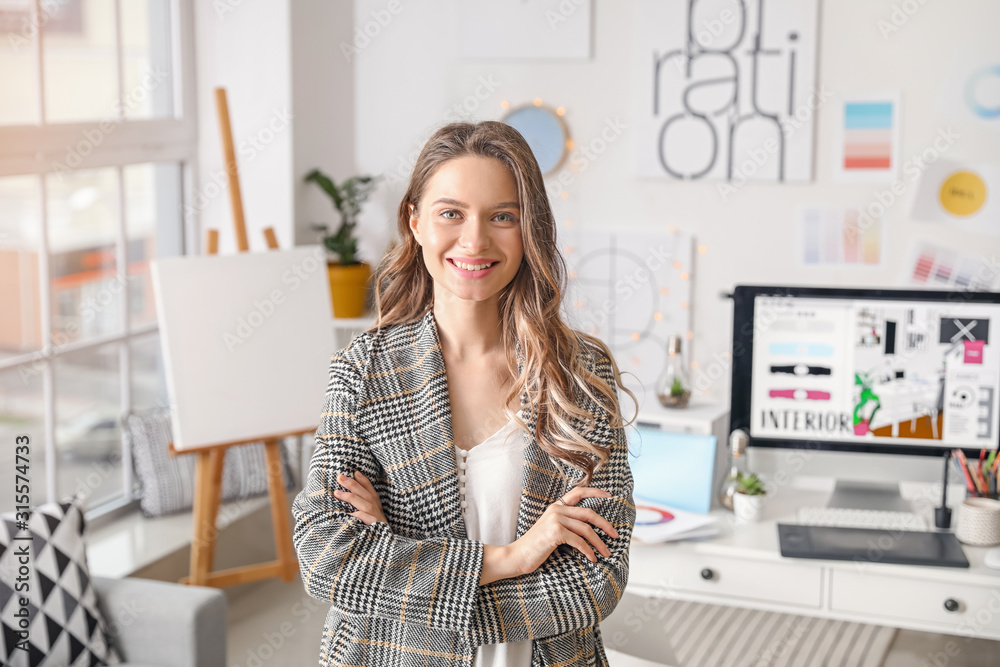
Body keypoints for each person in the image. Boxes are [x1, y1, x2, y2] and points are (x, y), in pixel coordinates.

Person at [292, 120, 638, 667]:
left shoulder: (579, 375)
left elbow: (594, 584)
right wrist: (513, 557)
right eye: (451, 213)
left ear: (530, 229)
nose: (475, 240)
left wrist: (396, 564)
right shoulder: (364, 369)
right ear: (416, 223)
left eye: (502, 216)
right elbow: (325, 558)